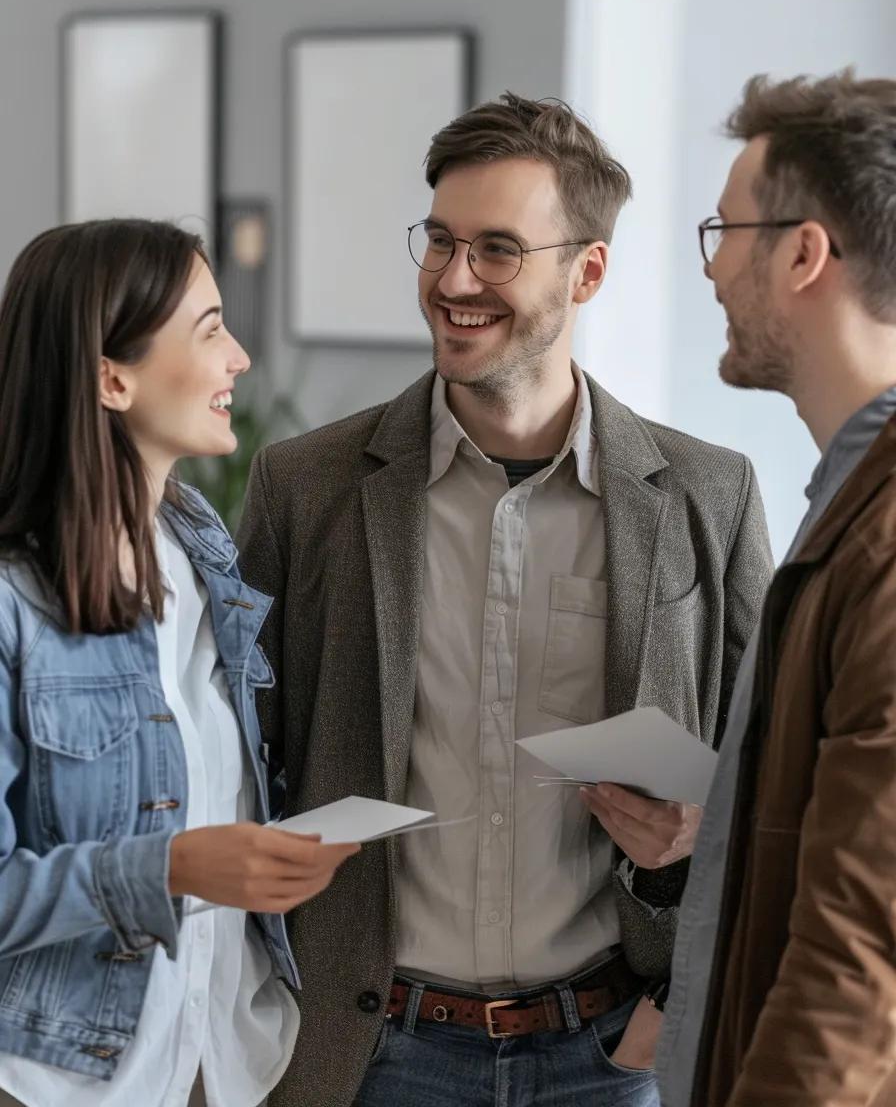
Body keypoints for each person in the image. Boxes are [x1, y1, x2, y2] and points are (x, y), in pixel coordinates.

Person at [238, 93, 772, 1107]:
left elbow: (774, 774)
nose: (451, 282)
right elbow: (238, 761)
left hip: (609, 1054)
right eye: (436, 244)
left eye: (494, 251)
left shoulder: (709, 493)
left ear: (587, 271)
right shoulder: (303, 487)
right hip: (369, 1052)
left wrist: (689, 844)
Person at [0, 219, 358, 1107]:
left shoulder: (203, 550)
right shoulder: (11, 601)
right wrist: (172, 868)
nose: (239, 358)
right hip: (61, 1082)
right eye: (209, 330)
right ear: (111, 377)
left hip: (218, 1062)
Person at [656, 71, 896, 1107]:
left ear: (801, 254)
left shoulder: (882, 535)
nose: (710, 272)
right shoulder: (847, 501)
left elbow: (858, 948)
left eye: (725, 233)